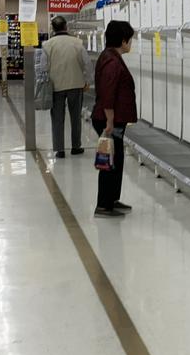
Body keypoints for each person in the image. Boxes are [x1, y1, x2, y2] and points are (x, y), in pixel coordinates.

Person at [91, 20, 137, 218]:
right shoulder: (111, 61)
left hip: (113, 118)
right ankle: (103, 205)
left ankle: (112, 200)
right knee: (109, 161)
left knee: (115, 159)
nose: (131, 44)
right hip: (109, 119)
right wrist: (109, 122)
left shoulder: (110, 56)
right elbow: (108, 94)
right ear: (123, 40)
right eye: (130, 40)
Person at [42, 15, 92, 158]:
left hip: (55, 86)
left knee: (57, 118)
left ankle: (60, 149)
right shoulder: (77, 43)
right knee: (76, 117)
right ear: (66, 27)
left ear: (52, 28)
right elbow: (87, 63)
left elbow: (43, 67)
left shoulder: (47, 45)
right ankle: (76, 147)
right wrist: (88, 81)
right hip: (76, 85)